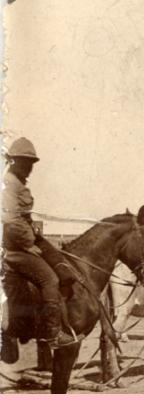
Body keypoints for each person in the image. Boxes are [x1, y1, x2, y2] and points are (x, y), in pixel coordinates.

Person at [2, 137, 81, 348]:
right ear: (14, 162)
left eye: (31, 163)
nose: (29, 168)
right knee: (50, 280)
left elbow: (22, 217)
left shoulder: (17, 183)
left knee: (61, 263)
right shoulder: (8, 184)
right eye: (25, 163)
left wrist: (36, 233)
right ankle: (53, 334)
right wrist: (29, 243)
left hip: (24, 239)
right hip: (14, 247)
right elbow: (10, 221)